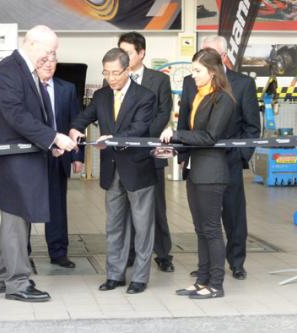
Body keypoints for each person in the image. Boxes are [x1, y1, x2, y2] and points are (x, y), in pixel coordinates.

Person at [0, 25, 76, 303]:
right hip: (11, 161)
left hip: (25, 158)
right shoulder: (8, 71)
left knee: (16, 219)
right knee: (16, 220)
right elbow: (16, 115)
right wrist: (53, 136)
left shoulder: (25, 71)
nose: (52, 56)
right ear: (31, 44)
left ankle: (2, 278)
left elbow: (38, 115)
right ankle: (18, 283)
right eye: (49, 50)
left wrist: (52, 144)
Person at [70, 48, 156, 294]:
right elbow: (83, 117)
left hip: (138, 169)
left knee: (142, 227)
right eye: (106, 73)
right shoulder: (101, 96)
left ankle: (140, 277)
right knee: (114, 226)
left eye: (115, 73)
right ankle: (114, 274)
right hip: (111, 170)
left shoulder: (145, 96)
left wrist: (114, 138)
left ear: (128, 70)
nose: (110, 78)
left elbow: (140, 128)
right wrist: (76, 129)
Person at [181, 35, 261, 280]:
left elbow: (252, 127)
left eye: (210, 53)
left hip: (229, 161)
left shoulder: (242, 84)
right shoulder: (189, 82)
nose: (203, 58)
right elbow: (186, 120)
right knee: (204, 219)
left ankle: (236, 262)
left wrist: (240, 157)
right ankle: (206, 266)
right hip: (199, 160)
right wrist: (182, 154)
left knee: (234, 214)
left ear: (222, 58)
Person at [160, 47, 234, 299]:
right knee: (200, 229)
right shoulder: (198, 95)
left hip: (212, 173)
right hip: (195, 170)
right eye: (193, 70)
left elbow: (211, 136)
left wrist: (177, 134)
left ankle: (216, 284)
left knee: (211, 229)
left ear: (212, 72)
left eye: (197, 70)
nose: (193, 75)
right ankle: (202, 280)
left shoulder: (222, 99)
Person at [118, 31, 174, 272]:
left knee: (156, 206)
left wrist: (141, 137)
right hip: (123, 155)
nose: (123, 57)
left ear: (141, 53)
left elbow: (164, 112)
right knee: (126, 208)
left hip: (150, 152)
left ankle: (163, 253)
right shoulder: (115, 78)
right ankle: (130, 253)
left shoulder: (158, 80)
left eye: (128, 53)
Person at [36, 55, 84, 268]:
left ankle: (58, 252)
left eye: (52, 62)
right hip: (33, 154)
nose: (48, 65)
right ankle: (21, 252)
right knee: (27, 204)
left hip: (60, 154)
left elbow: (76, 121)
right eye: (44, 61)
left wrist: (77, 155)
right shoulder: (28, 87)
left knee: (57, 206)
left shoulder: (68, 88)